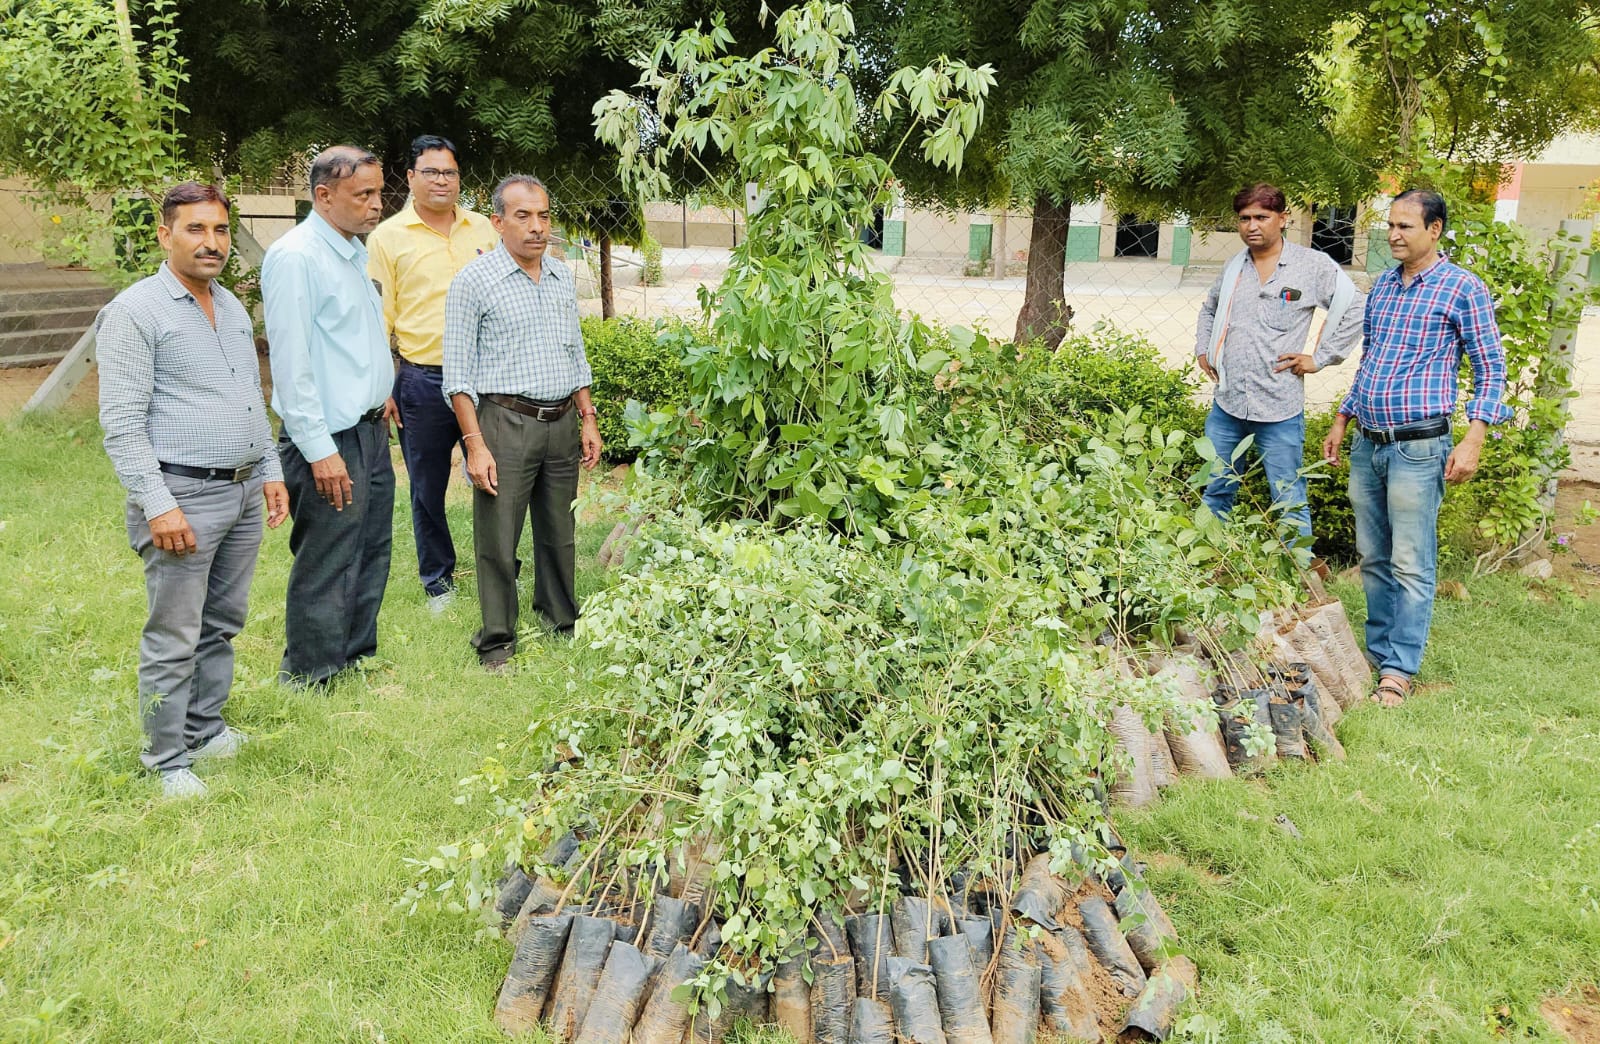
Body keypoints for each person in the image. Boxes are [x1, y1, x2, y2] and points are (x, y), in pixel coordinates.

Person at [97, 181, 289, 798]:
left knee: (222, 622)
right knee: (174, 634)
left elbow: (249, 396)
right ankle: (165, 760)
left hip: (241, 491)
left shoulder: (229, 306)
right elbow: (122, 422)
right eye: (196, 229)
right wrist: (159, 505)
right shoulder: (135, 312)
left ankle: (205, 731)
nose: (212, 243)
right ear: (165, 235)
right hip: (182, 496)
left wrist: (270, 470)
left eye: (221, 230)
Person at [1322, 189, 1511, 707]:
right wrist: (1342, 417)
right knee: (1374, 557)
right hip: (1368, 444)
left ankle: (1399, 668)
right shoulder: (1383, 286)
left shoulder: (1462, 288)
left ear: (1435, 229)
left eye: (1405, 226)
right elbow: (1372, 361)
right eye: (1390, 225)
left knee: (1410, 561)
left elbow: (1492, 368)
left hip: (1419, 448)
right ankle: (1378, 652)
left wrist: (1473, 438)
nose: (1393, 235)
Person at [442, 175, 603, 672]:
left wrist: (587, 416)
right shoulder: (474, 281)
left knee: (559, 528)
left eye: (544, 216)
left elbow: (575, 353)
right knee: (498, 535)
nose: (537, 227)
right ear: (497, 222)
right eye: (523, 216)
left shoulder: (559, 277)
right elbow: (457, 376)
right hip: (504, 423)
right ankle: (497, 639)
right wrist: (475, 444)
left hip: (560, 422)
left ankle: (560, 616)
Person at [262, 146, 397, 686]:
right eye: (363, 194)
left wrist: (380, 392)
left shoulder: (351, 252)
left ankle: (355, 657)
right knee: (327, 555)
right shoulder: (297, 257)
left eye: (379, 192)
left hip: (370, 428)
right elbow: (291, 365)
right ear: (323, 195)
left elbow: (349, 343)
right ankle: (310, 673)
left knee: (370, 546)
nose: (377, 204)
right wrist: (320, 451)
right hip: (327, 437)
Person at [367, 134, 499, 613]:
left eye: (449, 172)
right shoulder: (387, 238)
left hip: (487, 380)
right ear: (410, 177)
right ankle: (438, 580)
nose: (441, 180)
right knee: (427, 487)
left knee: (496, 475)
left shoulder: (485, 229)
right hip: (423, 380)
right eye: (430, 172)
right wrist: (385, 386)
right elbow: (378, 318)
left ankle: (497, 569)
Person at [1195, 183, 1364, 542]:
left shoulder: (1311, 266)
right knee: (1217, 487)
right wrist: (1203, 348)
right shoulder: (1234, 267)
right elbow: (1210, 308)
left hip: (1279, 408)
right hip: (1228, 403)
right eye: (1244, 218)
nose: (1252, 226)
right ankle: (1206, 561)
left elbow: (1356, 307)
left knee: (1287, 497)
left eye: (1262, 217)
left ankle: (1297, 567)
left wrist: (1321, 358)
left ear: (1283, 219)